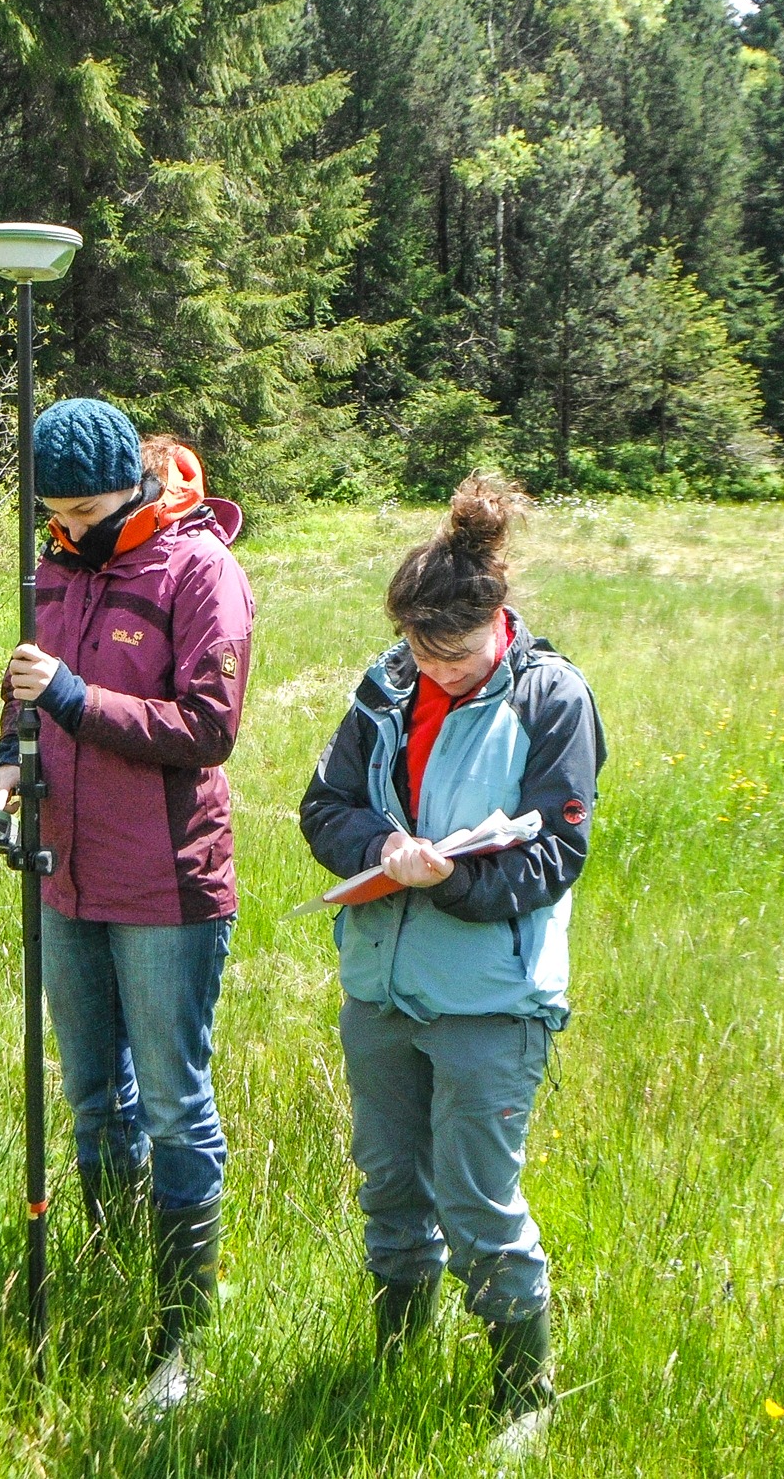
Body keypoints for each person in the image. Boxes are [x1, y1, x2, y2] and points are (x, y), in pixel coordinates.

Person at [298, 473, 606, 1457]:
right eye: (425, 653)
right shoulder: (386, 684)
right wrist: (380, 850)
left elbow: (558, 853)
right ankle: (395, 1363)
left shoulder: (552, 697)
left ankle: (525, 1398)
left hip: (492, 1000)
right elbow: (324, 809)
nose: (440, 673)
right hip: (380, 990)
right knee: (390, 1188)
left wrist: (447, 881)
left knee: (477, 1205)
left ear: (498, 619)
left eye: (459, 655)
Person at [0, 397, 253, 1409]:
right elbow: (22, 689)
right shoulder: (53, 563)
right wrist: (8, 764)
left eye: (89, 508)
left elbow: (207, 727)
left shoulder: (198, 571)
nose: (74, 527)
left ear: (136, 484)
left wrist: (70, 701)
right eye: (56, 511)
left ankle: (180, 1338)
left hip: (166, 884)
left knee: (177, 1107)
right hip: (64, 869)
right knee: (94, 1098)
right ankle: (103, 1275)